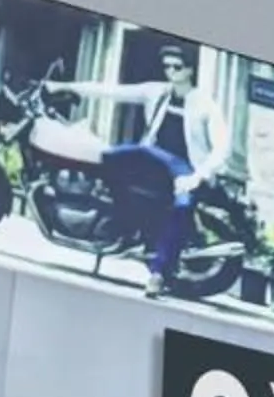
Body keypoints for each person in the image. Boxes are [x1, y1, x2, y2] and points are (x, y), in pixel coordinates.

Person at [47, 43, 227, 295]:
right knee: (106, 157)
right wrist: (66, 86)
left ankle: (158, 274)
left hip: (184, 169)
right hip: (151, 160)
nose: (170, 72)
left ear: (189, 70)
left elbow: (222, 147)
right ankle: (110, 224)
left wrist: (199, 176)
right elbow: (111, 91)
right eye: (167, 66)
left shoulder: (205, 105)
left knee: (182, 208)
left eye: (177, 67)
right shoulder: (156, 92)